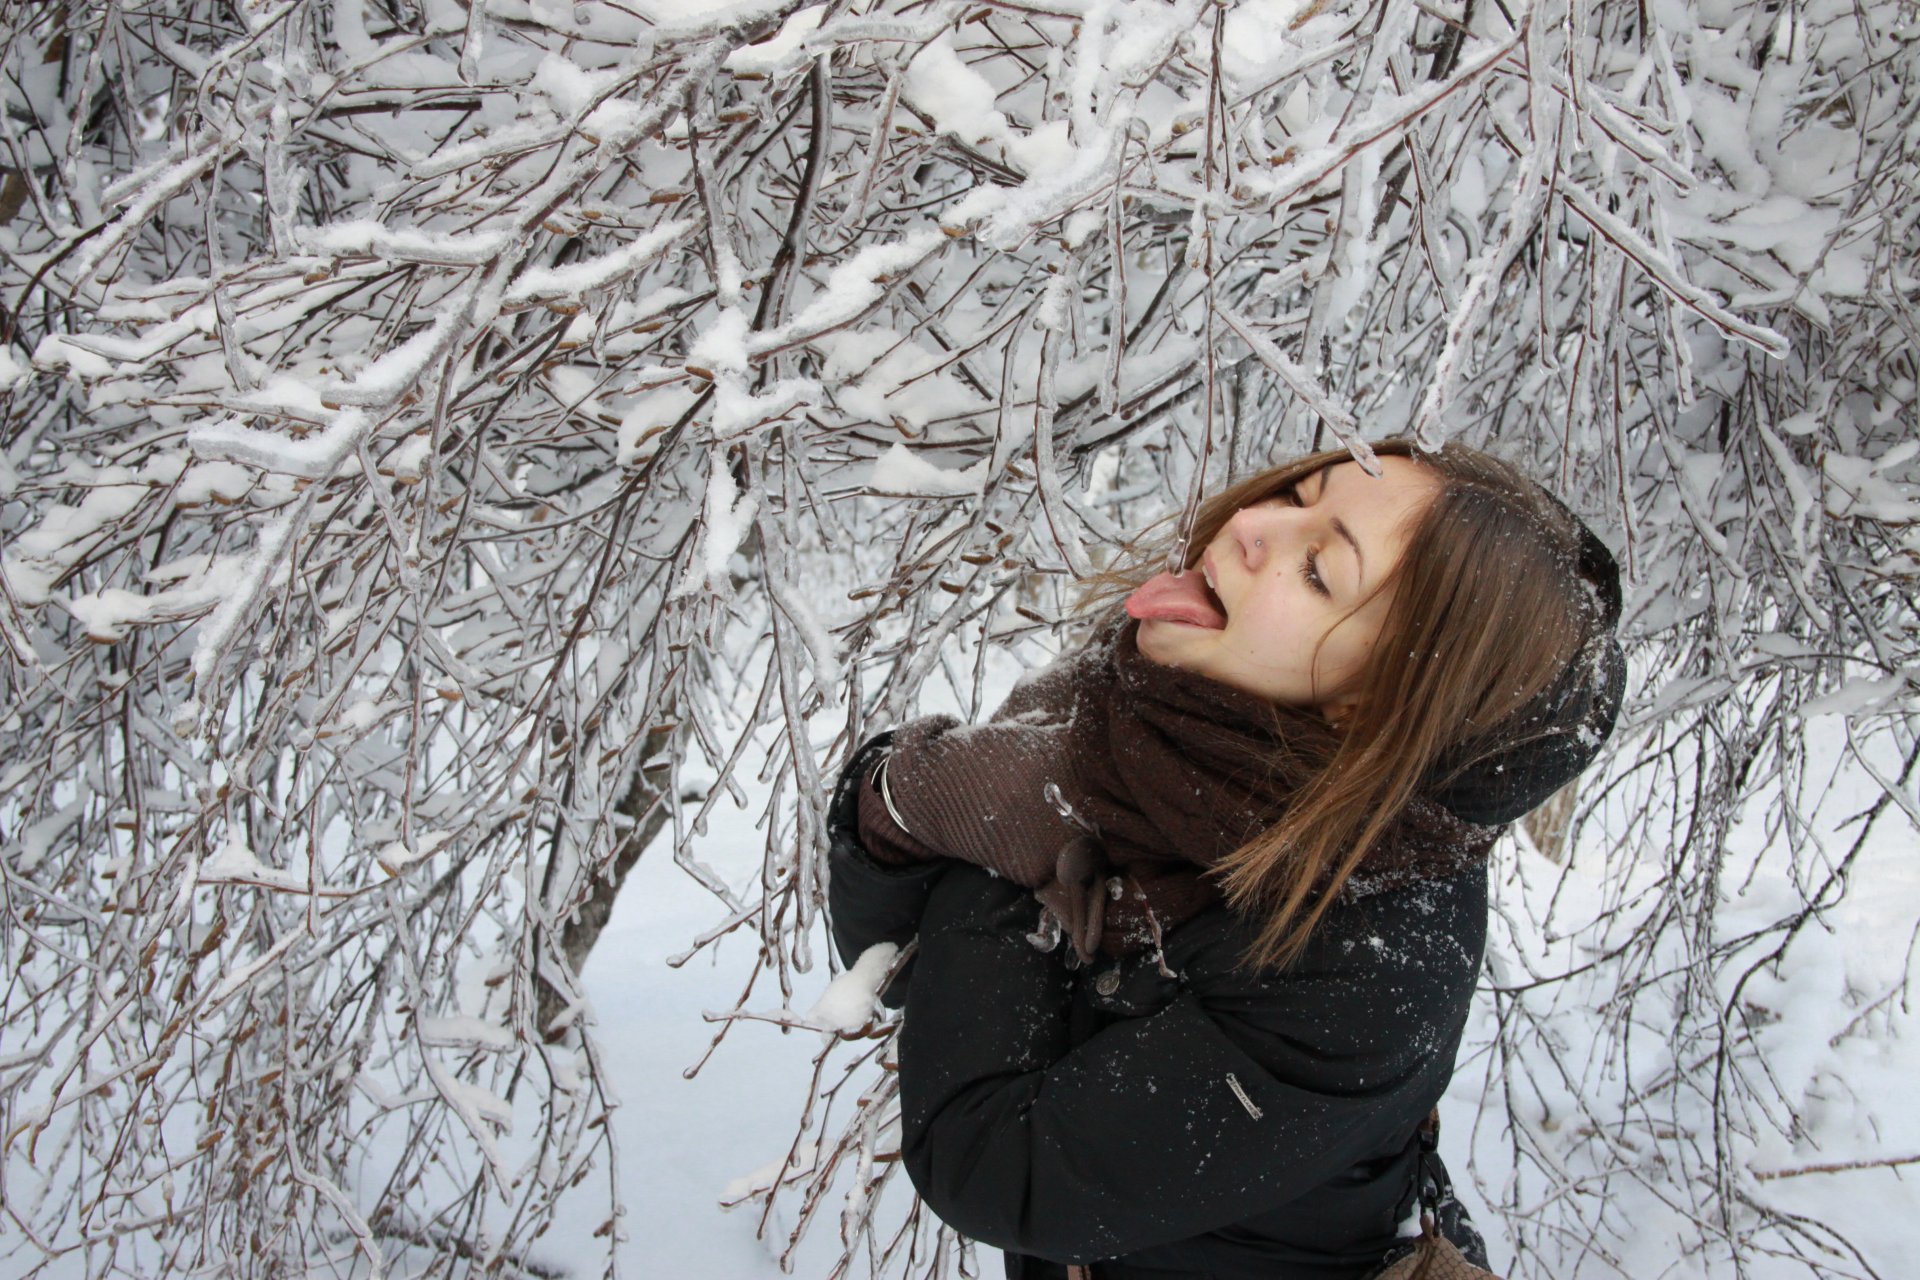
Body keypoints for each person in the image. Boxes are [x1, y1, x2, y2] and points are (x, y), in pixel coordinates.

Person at [825, 436, 1626, 1280]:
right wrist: (914, 805)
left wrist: (1016, 841)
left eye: (1320, 571)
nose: (1250, 522)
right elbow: (902, 969)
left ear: (1372, 710)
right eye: (1296, 496)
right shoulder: (1155, 718)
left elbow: (997, 1163)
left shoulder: (1362, 967)